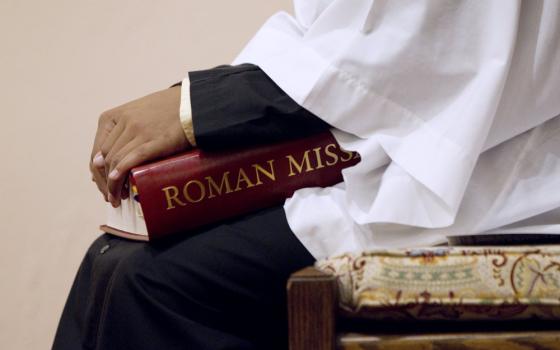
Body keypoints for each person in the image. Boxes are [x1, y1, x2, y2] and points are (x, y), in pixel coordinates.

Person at [53, 1, 560, 349]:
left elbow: (424, 48)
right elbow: (336, 32)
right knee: (110, 260)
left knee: (160, 285)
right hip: (414, 159)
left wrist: (194, 111)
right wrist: (198, 111)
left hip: (505, 184)